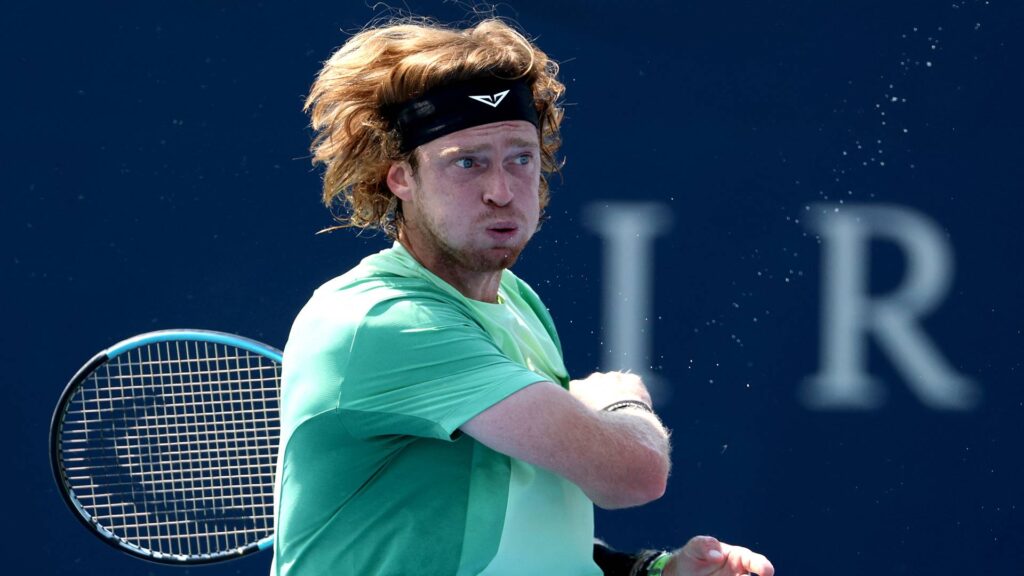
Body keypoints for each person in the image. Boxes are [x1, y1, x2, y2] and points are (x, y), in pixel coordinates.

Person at [271, 16, 774, 576]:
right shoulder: (385, 320)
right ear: (400, 178)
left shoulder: (516, 300)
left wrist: (651, 571)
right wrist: (620, 399)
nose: (502, 191)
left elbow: (516, 522)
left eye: (521, 157)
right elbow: (632, 474)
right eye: (467, 162)